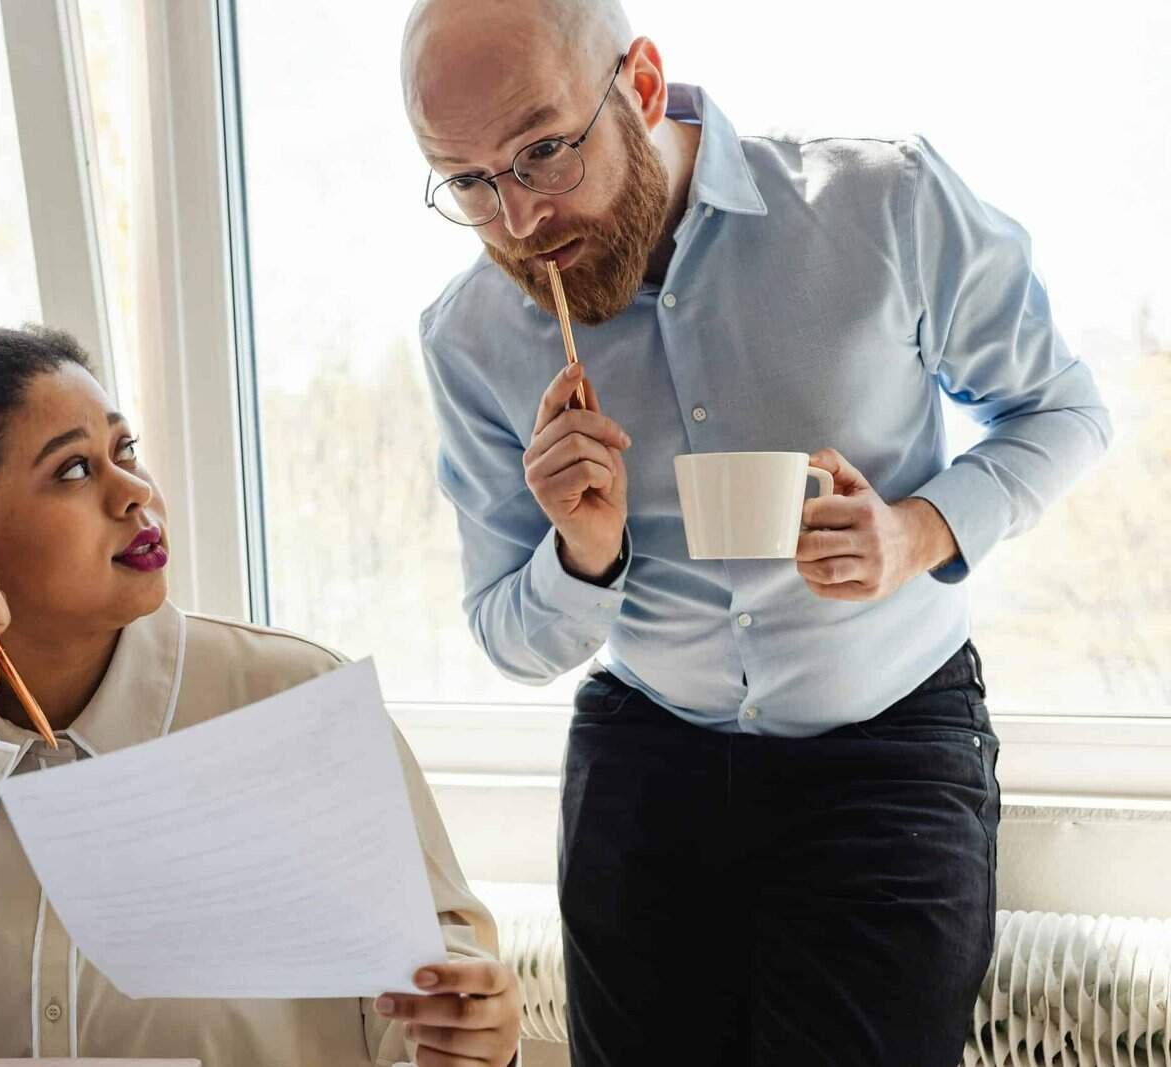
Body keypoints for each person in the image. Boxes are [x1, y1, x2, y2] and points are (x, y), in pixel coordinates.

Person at [400, 1, 1112, 1064]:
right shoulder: (469, 337)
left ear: (640, 84)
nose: (517, 219)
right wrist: (581, 552)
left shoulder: (885, 201)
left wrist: (915, 533)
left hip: (885, 741)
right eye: (468, 180)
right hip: (647, 748)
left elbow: (1064, 411)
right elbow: (510, 634)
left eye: (543, 151)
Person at [0, 325, 522, 1067]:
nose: (134, 491)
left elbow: (428, 1009)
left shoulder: (298, 702)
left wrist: (470, 1038)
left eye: (123, 450)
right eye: (73, 470)